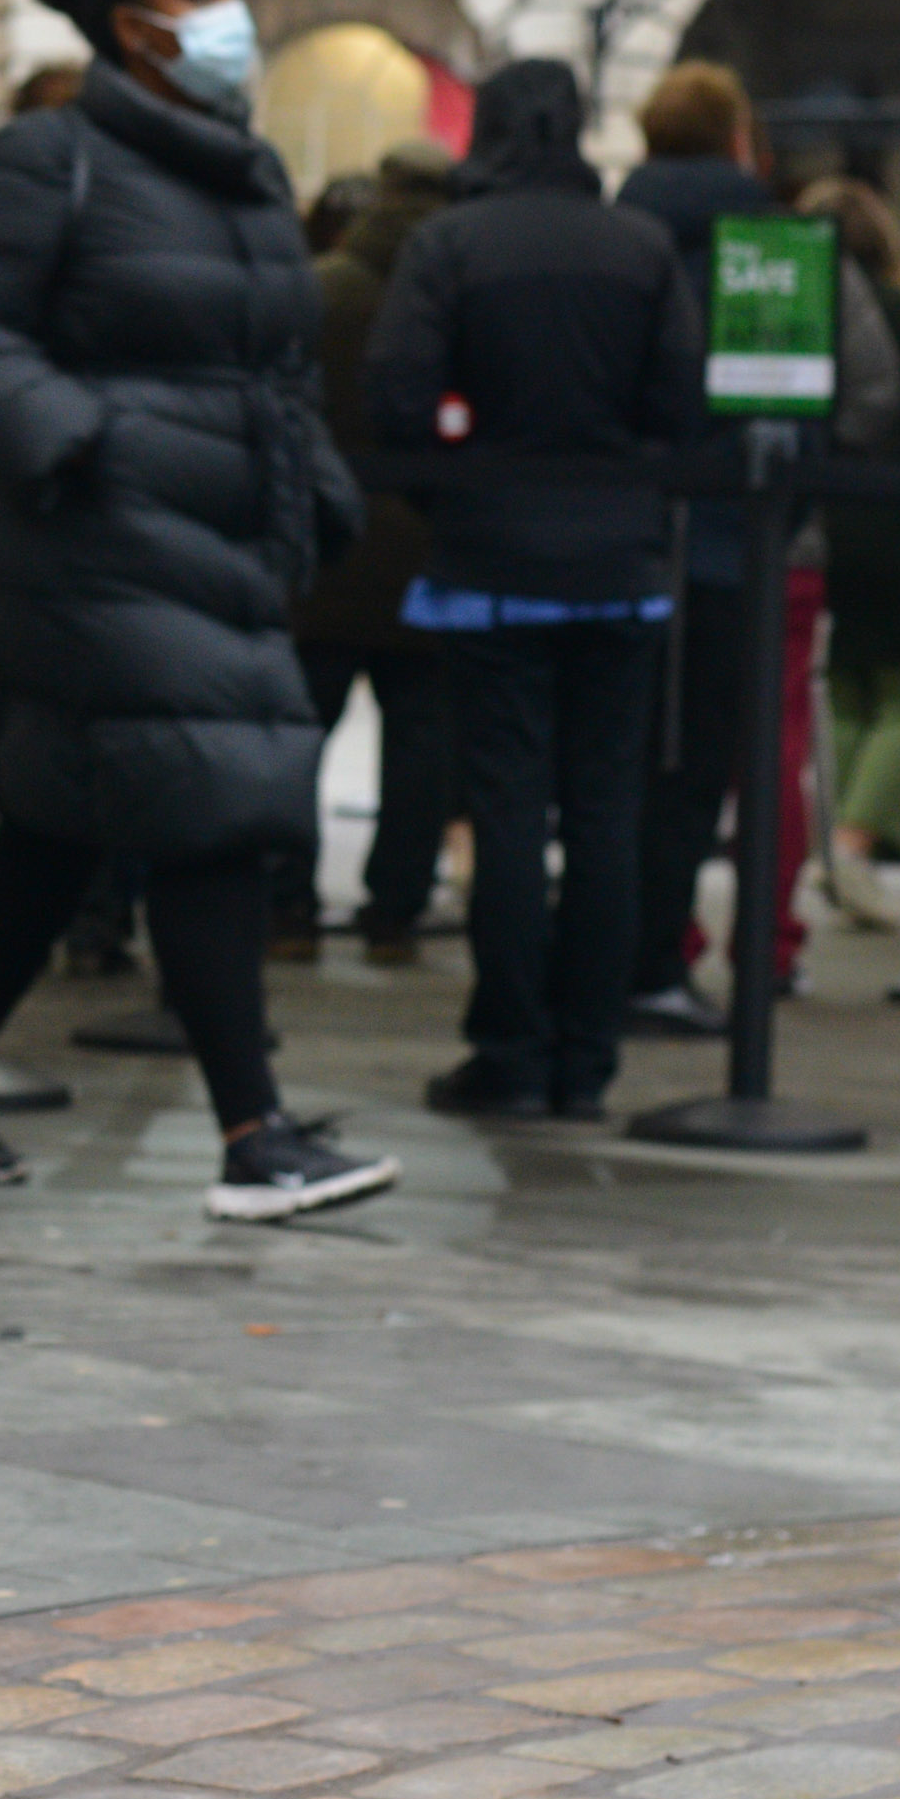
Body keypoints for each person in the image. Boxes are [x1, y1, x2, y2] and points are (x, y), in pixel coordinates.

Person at [0, 0, 396, 1220]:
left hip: (216, 533)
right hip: (89, 538)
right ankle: (252, 1134)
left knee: (57, 823)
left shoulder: (248, 172)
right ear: (132, 26)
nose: (231, 14)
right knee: (203, 800)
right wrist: (80, 440)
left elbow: (275, 359)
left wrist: (314, 482)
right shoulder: (47, 156)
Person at [369, 58, 703, 1120]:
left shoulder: (448, 245)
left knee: (507, 811)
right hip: (618, 569)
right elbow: (683, 407)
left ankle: (508, 1051)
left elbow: (396, 398)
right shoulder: (640, 246)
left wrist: (454, 498)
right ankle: (583, 1060)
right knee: (605, 812)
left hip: (488, 563)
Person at [615, 63, 900, 1036]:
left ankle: (642, 948)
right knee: (758, 751)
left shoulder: (618, 238)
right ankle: (759, 946)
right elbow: (874, 389)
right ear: (742, 143)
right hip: (757, 538)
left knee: (626, 757)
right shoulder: (780, 248)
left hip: (627, 539)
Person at [284, 137, 460, 964]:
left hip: (323, 546)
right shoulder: (457, 293)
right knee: (421, 743)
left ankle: (287, 908)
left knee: (299, 735)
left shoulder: (320, 290)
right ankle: (394, 910)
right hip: (431, 547)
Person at [802, 178, 900, 934]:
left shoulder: (798, 309)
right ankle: (851, 845)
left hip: (813, 519)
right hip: (895, 524)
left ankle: (836, 844)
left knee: (848, 693)